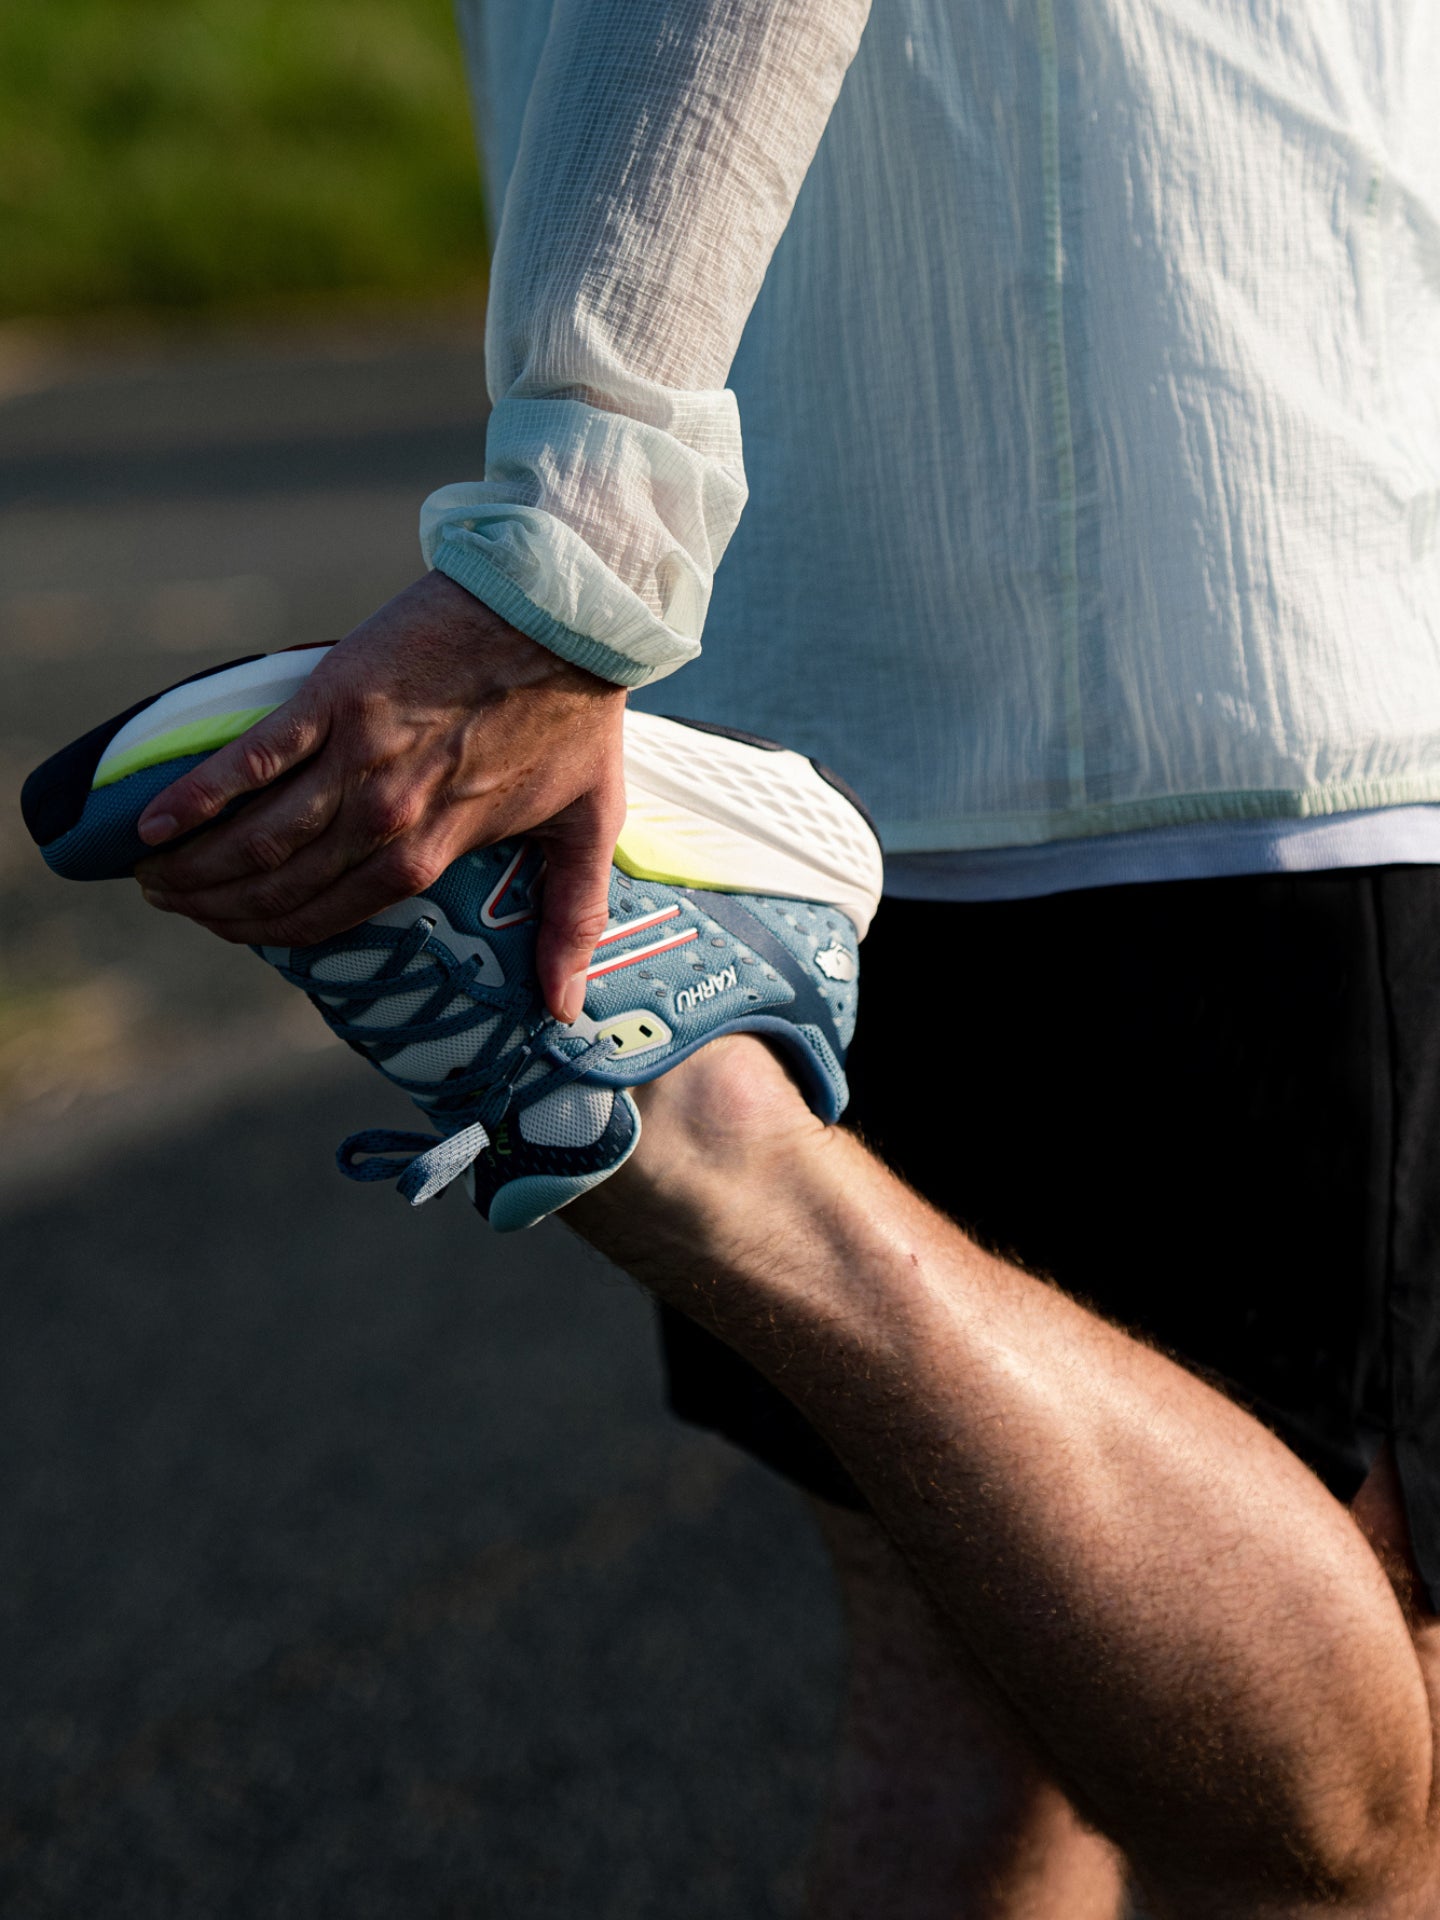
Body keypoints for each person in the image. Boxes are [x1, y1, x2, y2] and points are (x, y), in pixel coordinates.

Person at [130, 1, 1440, 1912]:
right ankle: (730, 1162)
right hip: (1232, 621)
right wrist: (570, 557)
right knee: (1337, 1817)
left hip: (765, 724)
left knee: (975, 1749)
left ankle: (704, 1128)